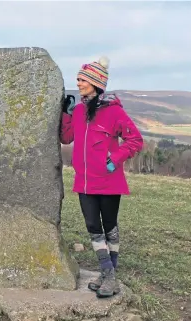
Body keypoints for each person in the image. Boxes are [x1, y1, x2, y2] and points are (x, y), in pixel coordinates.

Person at [59, 56, 144, 298]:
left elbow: (135, 140)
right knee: (93, 227)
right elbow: (66, 138)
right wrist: (65, 113)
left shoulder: (114, 112)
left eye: (82, 80)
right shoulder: (79, 111)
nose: (78, 83)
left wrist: (114, 159)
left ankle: (109, 276)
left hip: (108, 180)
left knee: (109, 228)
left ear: (96, 83)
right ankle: (108, 274)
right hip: (84, 181)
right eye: (77, 79)